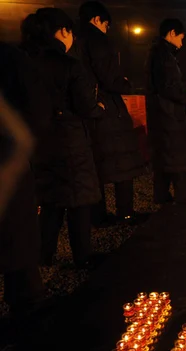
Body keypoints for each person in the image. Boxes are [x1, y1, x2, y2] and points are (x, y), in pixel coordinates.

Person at [21, 8, 106, 269]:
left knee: (50, 201)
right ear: (64, 32)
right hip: (69, 140)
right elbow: (84, 104)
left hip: (39, 140)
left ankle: (42, 256)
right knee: (78, 199)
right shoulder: (69, 64)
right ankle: (82, 256)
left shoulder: (25, 61)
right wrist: (98, 109)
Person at [76, 1, 146, 226]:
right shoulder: (97, 41)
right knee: (121, 161)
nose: (107, 29)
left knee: (97, 164)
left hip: (88, 108)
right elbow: (108, 76)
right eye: (107, 25)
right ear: (97, 20)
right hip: (108, 109)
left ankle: (98, 215)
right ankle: (125, 212)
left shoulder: (75, 41)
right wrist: (124, 84)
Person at [0, 42, 51, 318]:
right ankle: (26, 300)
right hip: (8, 161)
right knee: (16, 230)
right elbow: (37, 109)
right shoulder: (11, 58)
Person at [145, 18, 186, 205]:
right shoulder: (164, 56)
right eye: (181, 38)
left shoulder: (156, 52)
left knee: (163, 159)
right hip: (169, 116)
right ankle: (182, 200)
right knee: (177, 158)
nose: (181, 44)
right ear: (172, 33)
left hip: (160, 115)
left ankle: (162, 197)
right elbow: (168, 87)